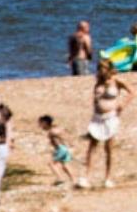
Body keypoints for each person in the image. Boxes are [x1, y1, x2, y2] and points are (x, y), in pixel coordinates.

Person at [84, 61, 131, 189]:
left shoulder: (116, 81)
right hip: (97, 118)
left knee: (109, 148)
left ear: (109, 69)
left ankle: (108, 177)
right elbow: (95, 100)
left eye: (104, 68)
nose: (101, 71)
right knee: (91, 147)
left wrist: (122, 105)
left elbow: (131, 92)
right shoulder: (98, 82)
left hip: (111, 117)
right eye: (99, 68)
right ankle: (86, 177)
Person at [40, 113, 79, 186]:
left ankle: (60, 178)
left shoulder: (52, 131)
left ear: (45, 123)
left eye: (41, 124)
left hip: (62, 149)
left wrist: (66, 147)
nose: (40, 126)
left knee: (51, 163)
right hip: (65, 148)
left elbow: (61, 138)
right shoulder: (55, 130)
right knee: (65, 165)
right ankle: (74, 180)